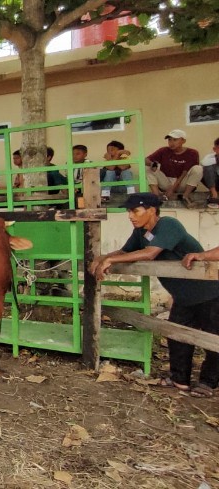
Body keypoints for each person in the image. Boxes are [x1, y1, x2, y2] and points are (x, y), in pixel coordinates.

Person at [90, 193, 219, 397]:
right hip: (183, 296)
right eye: (129, 212)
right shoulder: (140, 232)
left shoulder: (168, 225)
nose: (130, 216)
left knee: (213, 338)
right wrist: (102, 258)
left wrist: (110, 262)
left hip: (209, 293)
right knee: (176, 336)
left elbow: (150, 253)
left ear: (151, 210)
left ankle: (208, 382)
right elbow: (124, 252)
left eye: (135, 211)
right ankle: (179, 380)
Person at [145, 129, 202, 207]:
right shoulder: (163, 150)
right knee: (148, 168)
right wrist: (152, 164)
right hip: (167, 182)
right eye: (169, 140)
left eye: (175, 140)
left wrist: (172, 189)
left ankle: (185, 196)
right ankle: (156, 197)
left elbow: (184, 173)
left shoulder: (192, 153)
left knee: (198, 169)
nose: (171, 143)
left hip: (183, 182)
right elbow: (146, 160)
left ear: (183, 141)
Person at [199, 137, 219, 209]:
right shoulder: (210, 157)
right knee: (206, 167)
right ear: (215, 149)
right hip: (214, 183)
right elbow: (203, 163)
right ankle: (214, 194)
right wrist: (217, 159)